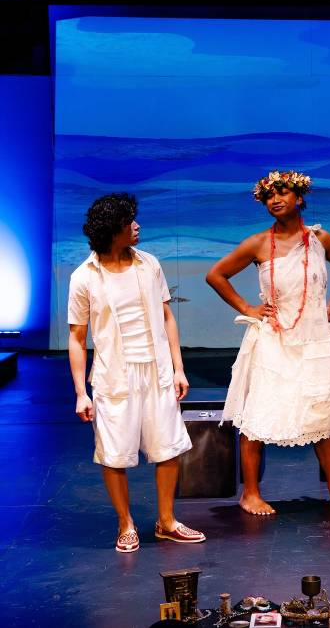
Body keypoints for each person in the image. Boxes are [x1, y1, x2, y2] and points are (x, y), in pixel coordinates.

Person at [206, 170, 330, 515]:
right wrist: (247, 307)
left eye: (283, 192)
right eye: (269, 196)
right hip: (273, 338)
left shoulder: (321, 239)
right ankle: (251, 493)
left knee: (322, 411)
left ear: (300, 198)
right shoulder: (258, 243)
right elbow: (215, 275)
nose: (275, 199)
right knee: (259, 414)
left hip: (315, 338)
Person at [68, 193, 205, 552]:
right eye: (130, 222)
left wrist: (178, 368)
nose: (137, 226)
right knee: (114, 453)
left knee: (168, 447)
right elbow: (77, 336)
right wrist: (81, 392)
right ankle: (125, 523)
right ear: (114, 230)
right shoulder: (84, 277)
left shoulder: (149, 265)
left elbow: (167, 317)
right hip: (115, 375)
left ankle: (167, 520)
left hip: (156, 371)